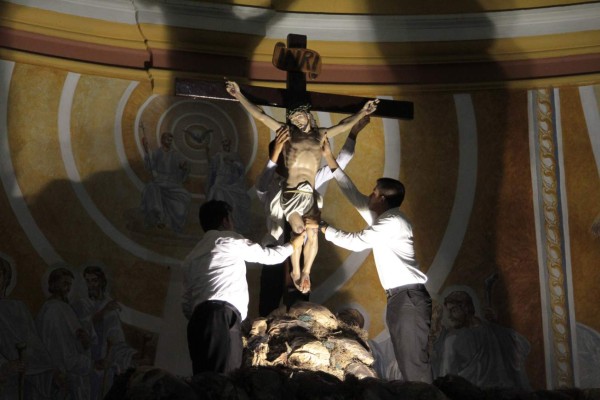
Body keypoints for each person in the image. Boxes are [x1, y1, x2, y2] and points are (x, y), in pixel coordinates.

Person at [226, 79, 379, 294]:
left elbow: (344, 125)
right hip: (290, 195)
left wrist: (363, 112)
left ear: (309, 116)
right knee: (299, 231)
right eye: (293, 118)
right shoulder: (287, 134)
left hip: (309, 195)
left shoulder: (320, 135)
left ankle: (306, 271)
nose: (296, 120)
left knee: (313, 233)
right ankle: (296, 272)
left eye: (299, 116)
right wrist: (239, 95)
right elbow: (261, 115)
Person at [314, 147, 433, 383]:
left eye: (374, 192)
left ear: (382, 198)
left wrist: (324, 227)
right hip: (401, 298)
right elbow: (352, 194)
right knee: (407, 361)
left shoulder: (393, 221)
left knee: (413, 364)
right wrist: (329, 159)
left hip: (408, 298)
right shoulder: (383, 217)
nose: (369, 195)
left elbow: (358, 242)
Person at [256, 117, 371, 315]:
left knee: (301, 310)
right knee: (268, 309)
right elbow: (261, 186)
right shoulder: (268, 183)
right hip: (274, 251)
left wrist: (353, 133)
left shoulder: (308, 181)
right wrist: (274, 154)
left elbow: (340, 162)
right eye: (284, 150)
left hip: (300, 254)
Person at [181, 200, 306, 374]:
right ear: (225, 221)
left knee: (203, 380)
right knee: (226, 378)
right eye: (231, 219)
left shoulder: (191, 257)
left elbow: (186, 303)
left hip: (197, 323)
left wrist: (204, 317)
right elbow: (267, 256)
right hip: (221, 317)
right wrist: (293, 245)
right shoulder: (226, 239)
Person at [430, 290, 531, 390]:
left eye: (453, 310)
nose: (449, 316)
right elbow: (446, 379)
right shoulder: (451, 339)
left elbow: (524, 346)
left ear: (466, 308)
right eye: (449, 311)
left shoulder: (493, 330)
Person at [72, 265, 137, 400]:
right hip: (86, 365)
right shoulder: (81, 305)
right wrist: (103, 312)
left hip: (105, 366)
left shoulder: (110, 305)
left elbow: (116, 337)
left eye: (94, 280)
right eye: (88, 281)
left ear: (101, 281)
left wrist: (129, 356)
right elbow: (82, 329)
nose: (91, 285)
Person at [0, 256, 54, 400]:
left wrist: (27, 360)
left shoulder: (19, 307)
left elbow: (33, 341)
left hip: (25, 378)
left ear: (6, 278)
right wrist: (5, 366)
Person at [36, 267, 93, 399]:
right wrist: (87, 362)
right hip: (63, 374)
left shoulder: (51, 307)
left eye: (69, 285)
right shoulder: (56, 309)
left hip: (55, 372)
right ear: (54, 284)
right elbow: (62, 347)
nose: (68, 289)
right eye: (65, 284)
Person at [140, 126, 191, 233]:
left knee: (185, 197)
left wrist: (184, 168)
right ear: (163, 140)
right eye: (168, 139)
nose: (170, 141)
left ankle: (174, 224)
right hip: (160, 181)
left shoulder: (175, 154)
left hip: (173, 184)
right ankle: (159, 217)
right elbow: (150, 166)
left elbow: (182, 167)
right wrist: (146, 151)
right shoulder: (157, 153)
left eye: (171, 140)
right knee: (151, 188)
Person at [206, 138, 251, 236]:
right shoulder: (218, 156)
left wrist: (232, 162)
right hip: (220, 181)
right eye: (224, 144)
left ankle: (233, 224)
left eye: (228, 144)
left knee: (234, 203)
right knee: (218, 195)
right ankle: (219, 223)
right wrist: (207, 152)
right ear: (221, 144)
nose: (226, 146)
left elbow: (241, 169)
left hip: (232, 183)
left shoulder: (234, 156)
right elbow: (212, 168)